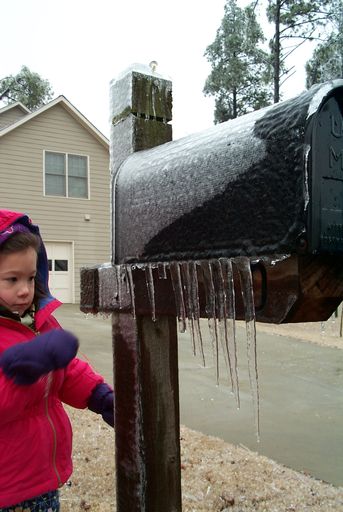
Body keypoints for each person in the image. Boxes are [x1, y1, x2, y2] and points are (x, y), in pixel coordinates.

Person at [0, 209, 114, 512]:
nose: (25, 290)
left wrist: (99, 395)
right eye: (11, 279)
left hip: (42, 477)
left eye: (30, 277)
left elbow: (67, 369)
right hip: (7, 488)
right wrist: (23, 372)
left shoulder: (37, 319)